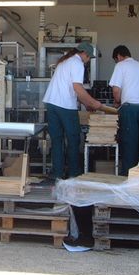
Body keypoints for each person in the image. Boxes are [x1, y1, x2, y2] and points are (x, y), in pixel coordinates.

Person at [43, 42, 102, 179]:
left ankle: (57, 174)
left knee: (57, 140)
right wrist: (94, 103)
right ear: (85, 54)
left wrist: (87, 104)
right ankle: (74, 174)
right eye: (89, 58)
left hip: (52, 104)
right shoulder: (77, 63)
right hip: (65, 106)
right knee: (74, 139)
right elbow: (78, 88)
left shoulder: (65, 62)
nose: (88, 61)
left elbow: (71, 89)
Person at [109, 45, 139, 176]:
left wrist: (117, 102)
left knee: (130, 143)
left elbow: (116, 90)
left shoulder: (120, 65)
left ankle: (128, 178)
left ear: (118, 56)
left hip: (130, 109)